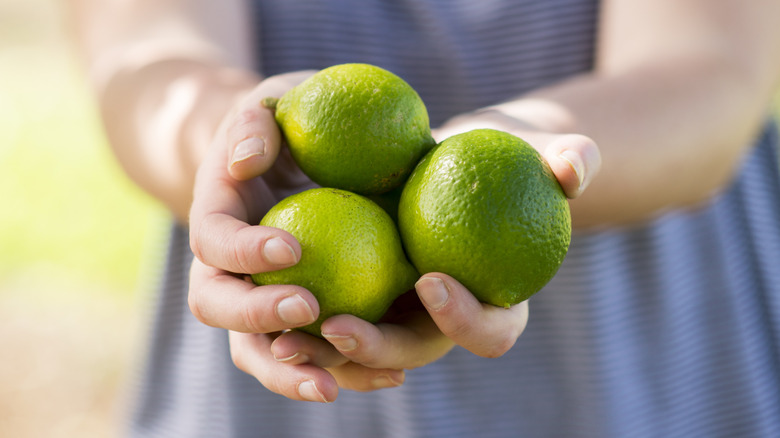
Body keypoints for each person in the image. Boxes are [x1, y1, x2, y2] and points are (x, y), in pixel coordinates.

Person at [69, 0, 780, 437]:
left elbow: (712, 71)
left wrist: (515, 137)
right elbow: (146, 64)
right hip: (283, 354)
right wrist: (236, 143)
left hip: (636, 375)